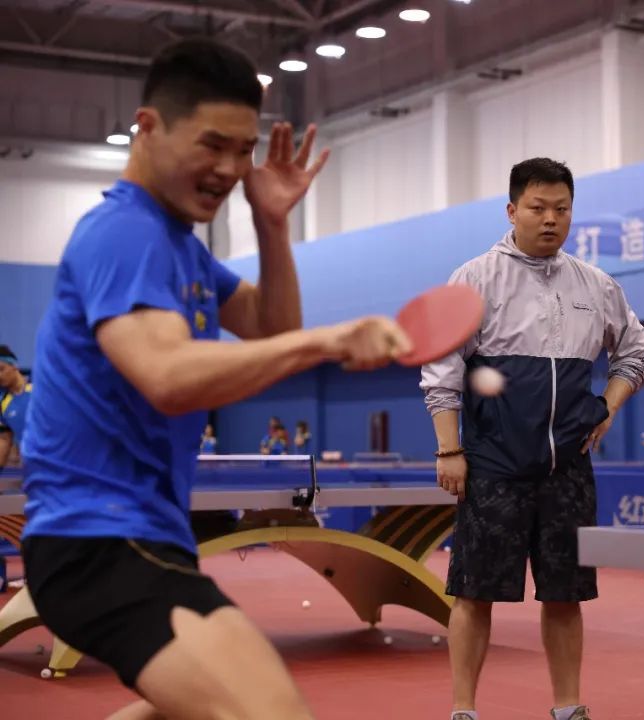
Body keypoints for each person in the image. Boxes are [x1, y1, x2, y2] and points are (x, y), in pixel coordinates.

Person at [20, 38, 411, 720]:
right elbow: (167, 374)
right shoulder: (125, 233)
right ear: (148, 127)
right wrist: (330, 340)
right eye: (212, 145)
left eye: (243, 149)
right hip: (97, 541)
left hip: (147, 536)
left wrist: (272, 223)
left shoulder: (181, 247)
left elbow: (269, 326)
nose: (230, 168)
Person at [421, 157, 644, 720]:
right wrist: (449, 449)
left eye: (562, 209)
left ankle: (568, 707)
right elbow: (442, 369)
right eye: (538, 207)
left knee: (566, 594)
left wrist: (607, 407)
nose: (551, 219)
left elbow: (636, 354)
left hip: (566, 471)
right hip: (493, 465)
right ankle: (463, 709)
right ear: (512, 210)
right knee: (473, 592)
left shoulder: (596, 285)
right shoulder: (474, 279)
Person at [0, 345, 32, 467]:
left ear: (14, 366)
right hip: (34, 465)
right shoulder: (2, 401)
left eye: (1, 369)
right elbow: (4, 439)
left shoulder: (41, 385)